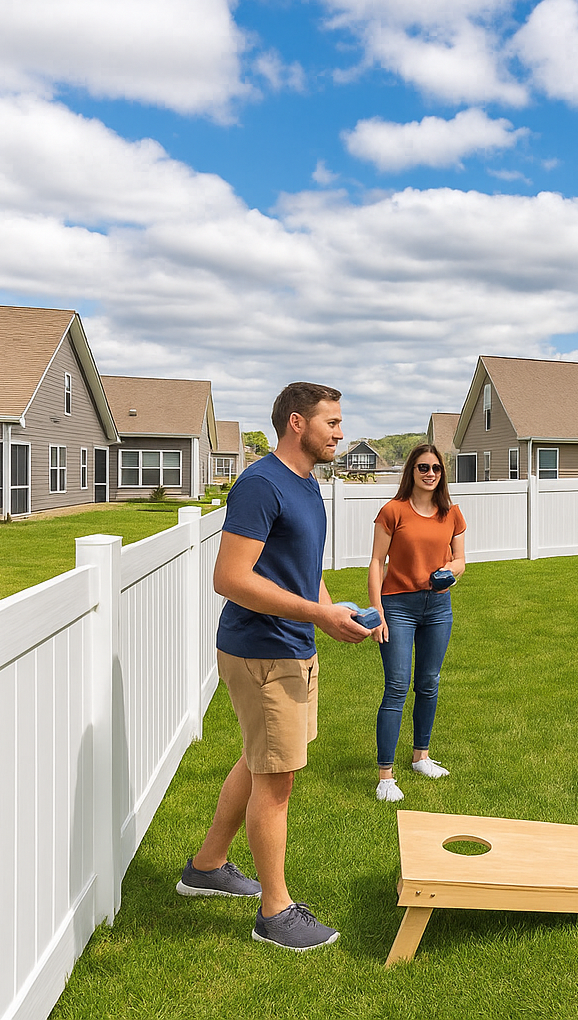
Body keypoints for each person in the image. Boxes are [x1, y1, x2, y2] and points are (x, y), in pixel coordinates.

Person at [177, 382, 371, 952]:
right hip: (262, 649)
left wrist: (335, 611)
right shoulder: (260, 485)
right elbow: (230, 579)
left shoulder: (306, 486)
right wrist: (317, 614)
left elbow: (298, 568)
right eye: (331, 422)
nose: (340, 432)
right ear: (296, 423)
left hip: (292, 644)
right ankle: (275, 912)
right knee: (276, 779)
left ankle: (208, 866)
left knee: (262, 760)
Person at [368, 444, 467, 803]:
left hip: (438, 607)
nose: (430, 473)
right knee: (396, 686)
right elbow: (377, 562)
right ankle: (385, 776)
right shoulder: (393, 512)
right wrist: (377, 611)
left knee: (428, 682)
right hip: (398, 606)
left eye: (436, 469)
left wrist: (450, 572)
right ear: (411, 470)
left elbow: (461, 561)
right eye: (423, 467)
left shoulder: (451, 513)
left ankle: (421, 757)